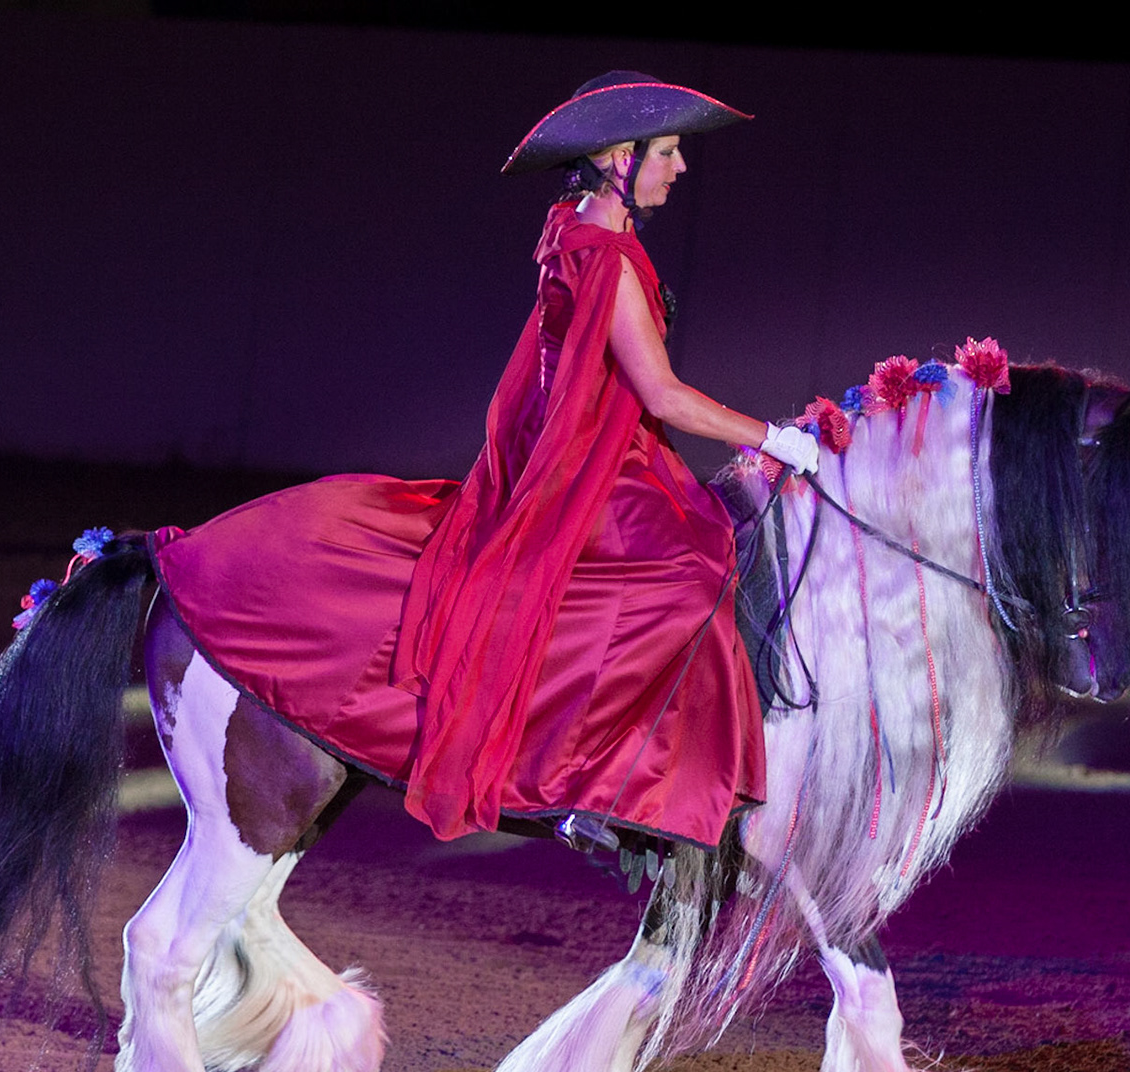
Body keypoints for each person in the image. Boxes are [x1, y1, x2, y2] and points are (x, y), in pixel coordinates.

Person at [150, 71, 773, 853]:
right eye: (669, 152)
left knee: (697, 551)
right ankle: (592, 785)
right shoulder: (606, 256)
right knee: (687, 584)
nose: (679, 168)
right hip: (595, 469)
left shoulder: (576, 225)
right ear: (621, 157)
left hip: (611, 455)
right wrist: (773, 438)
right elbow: (662, 392)